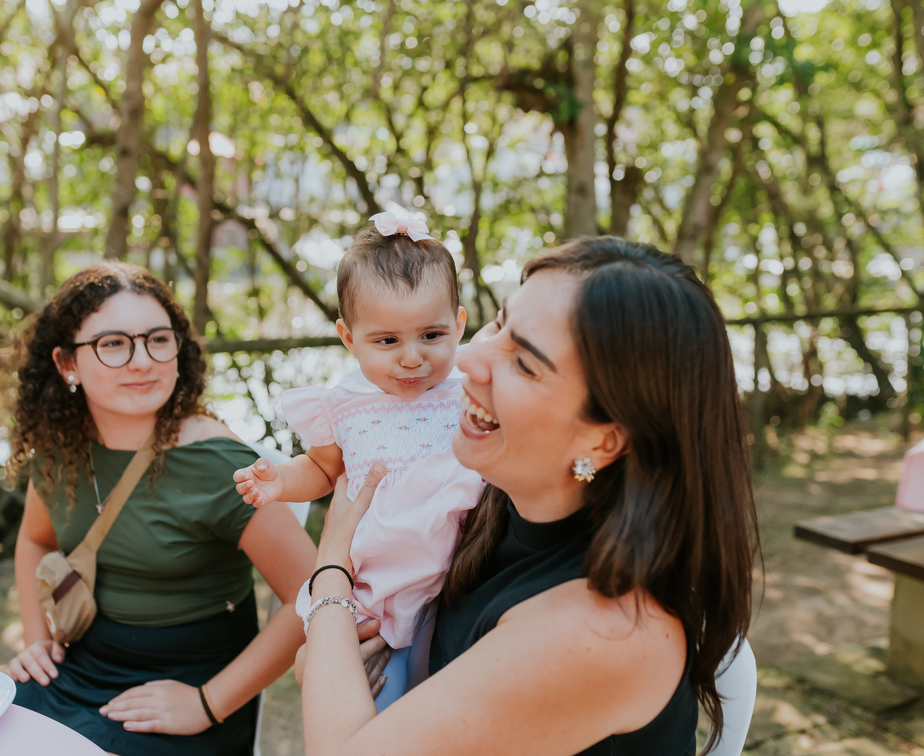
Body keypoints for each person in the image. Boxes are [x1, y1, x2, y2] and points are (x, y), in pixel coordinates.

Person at [297, 238, 758, 755]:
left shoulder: (607, 629)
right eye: (499, 323)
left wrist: (331, 571)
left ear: (603, 440)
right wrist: (333, 660)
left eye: (524, 363)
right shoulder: (481, 505)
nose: (469, 357)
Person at [4, 262, 317, 756]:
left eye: (158, 339)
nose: (142, 361)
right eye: (113, 344)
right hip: (80, 666)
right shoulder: (58, 450)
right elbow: (34, 540)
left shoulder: (217, 464)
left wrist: (207, 703)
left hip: (190, 687)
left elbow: (315, 595)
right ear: (66, 364)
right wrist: (36, 640)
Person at [233, 205, 485, 709]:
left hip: (461, 575)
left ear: (458, 325)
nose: (412, 357)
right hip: (377, 590)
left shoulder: (472, 392)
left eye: (431, 335)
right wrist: (281, 480)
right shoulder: (345, 406)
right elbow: (322, 469)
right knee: (376, 699)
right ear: (349, 338)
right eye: (387, 341)